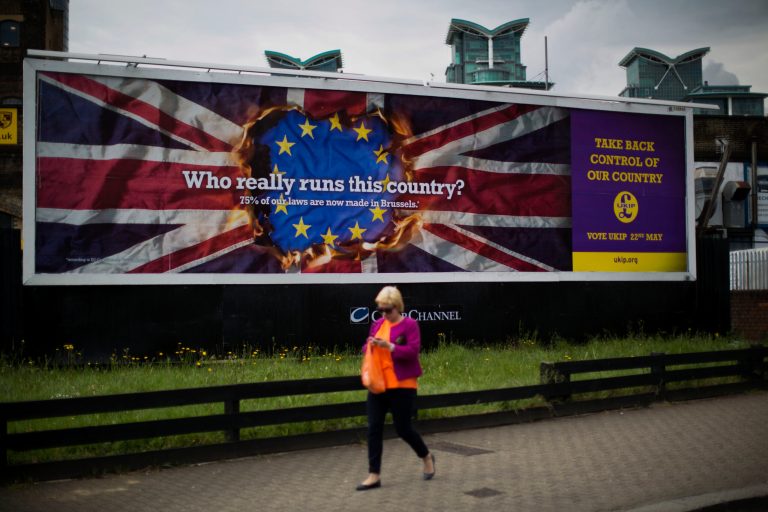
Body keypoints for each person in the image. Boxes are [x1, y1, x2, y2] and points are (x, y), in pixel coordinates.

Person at [356, 285, 435, 491]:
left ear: (397, 306)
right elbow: (365, 348)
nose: (384, 314)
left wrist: (389, 347)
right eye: (380, 310)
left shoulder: (410, 324)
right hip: (378, 384)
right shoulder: (377, 324)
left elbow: (412, 352)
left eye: (388, 310)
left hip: (402, 385)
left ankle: (426, 456)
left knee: (403, 429)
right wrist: (371, 345)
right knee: (374, 428)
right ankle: (374, 475)